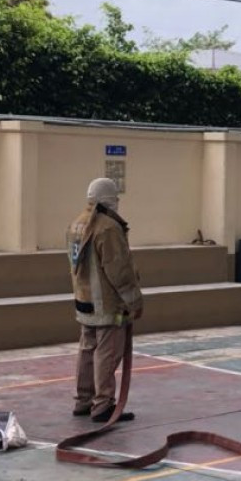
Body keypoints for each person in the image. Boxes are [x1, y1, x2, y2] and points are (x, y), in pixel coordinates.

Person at [66, 177, 143, 423]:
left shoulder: (77, 223)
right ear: (109, 200)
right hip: (107, 305)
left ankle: (83, 400)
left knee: (87, 350)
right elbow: (119, 271)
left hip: (83, 300)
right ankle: (103, 405)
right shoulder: (108, 227)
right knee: (107, 353)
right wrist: (134, 301)